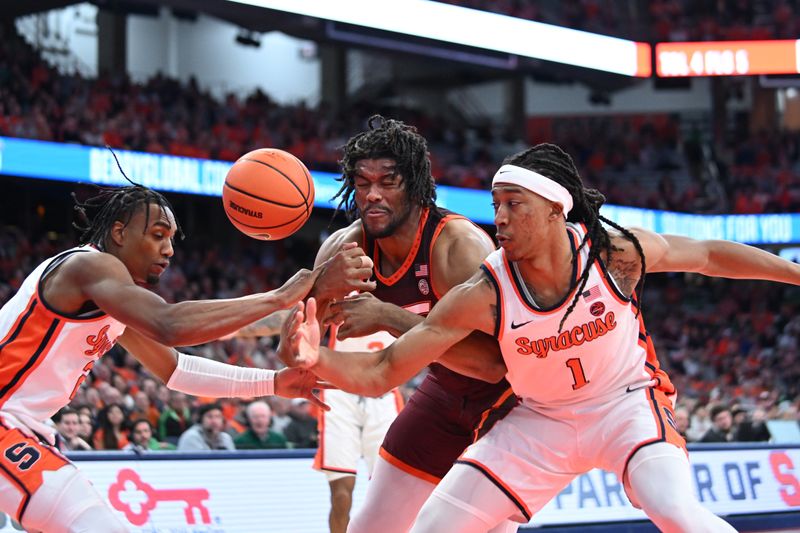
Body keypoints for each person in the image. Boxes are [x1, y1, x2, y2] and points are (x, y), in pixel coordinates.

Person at [284, 142, 800, 531]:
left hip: (624, 405)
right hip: (539, 419)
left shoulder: (612, 254)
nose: (500, 218)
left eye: (513, 204)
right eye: (496, 203)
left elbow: (710, 256)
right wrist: (315, 360)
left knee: (675, 511)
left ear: (556, 209)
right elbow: (382, 370)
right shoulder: (483, 290)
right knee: (433, 528)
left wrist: (795, 274)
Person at [0, 172, 334, 533]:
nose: (169, 250)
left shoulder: (112, 301)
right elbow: (170, 324)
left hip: (25, 425)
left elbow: (177, 369)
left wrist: (273, 381)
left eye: (171, 239)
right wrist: (277, 296)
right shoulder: (91, 266)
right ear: (119, 233)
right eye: (158, 235)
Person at [280, 115, 514, 533]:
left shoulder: (458, 247)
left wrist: (389, 316)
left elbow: (493, 364)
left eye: (388, 182)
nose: (372, 195)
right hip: (442, 393)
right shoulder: (343, 248)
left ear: (415, 185)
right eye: (363, 182)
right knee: (370, 526)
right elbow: (303, 336)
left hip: (509, 407)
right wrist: (309, 313)